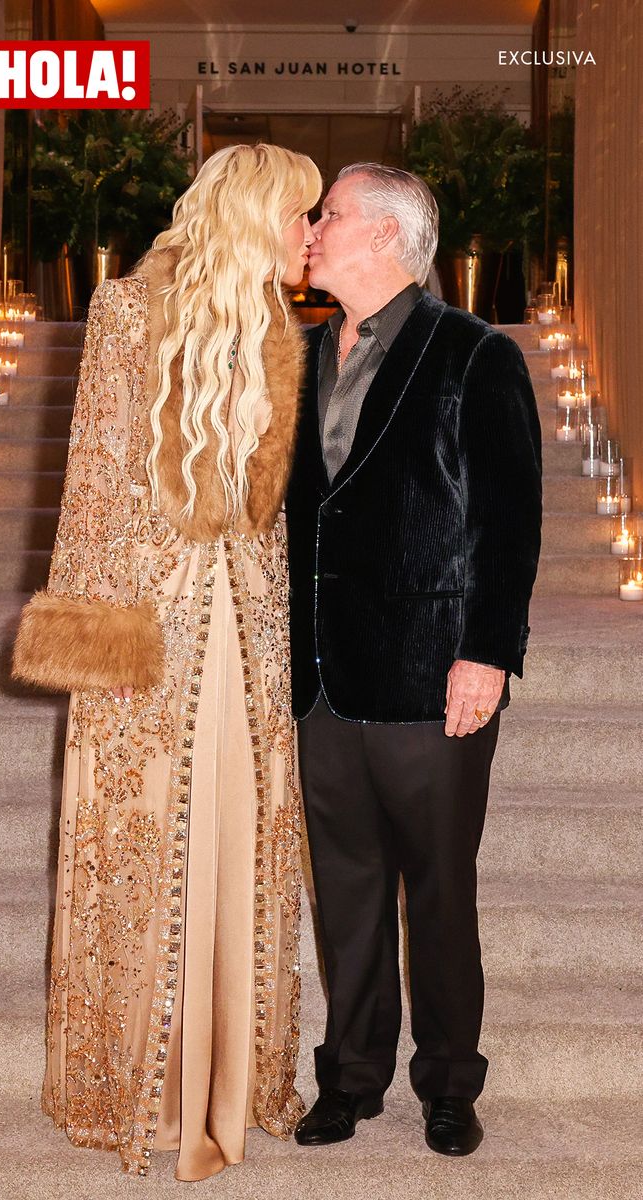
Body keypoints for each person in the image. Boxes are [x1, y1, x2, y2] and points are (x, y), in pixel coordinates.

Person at [12, 143, 321, 1181]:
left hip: (253, 625)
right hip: (154, 618)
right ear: (249, 217)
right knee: (148, 834)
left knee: (245, 834)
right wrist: (100, 637)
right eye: (297, 217)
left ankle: (237, 1074)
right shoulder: (125, 312)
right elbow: (94, 481)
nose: (309, 238)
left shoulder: (281, 326)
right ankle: (140, 1083)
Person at [286, 164, 542, 1157]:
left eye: (330, 214)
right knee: (345, 888)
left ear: (386, 237)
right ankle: (349, 1079)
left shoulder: (473, 354)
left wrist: (486, 653)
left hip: (433, 676)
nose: (311, 228)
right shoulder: (293, 355)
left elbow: (508, 523)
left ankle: (446, 1082)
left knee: (437, 889)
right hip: (319, 681)